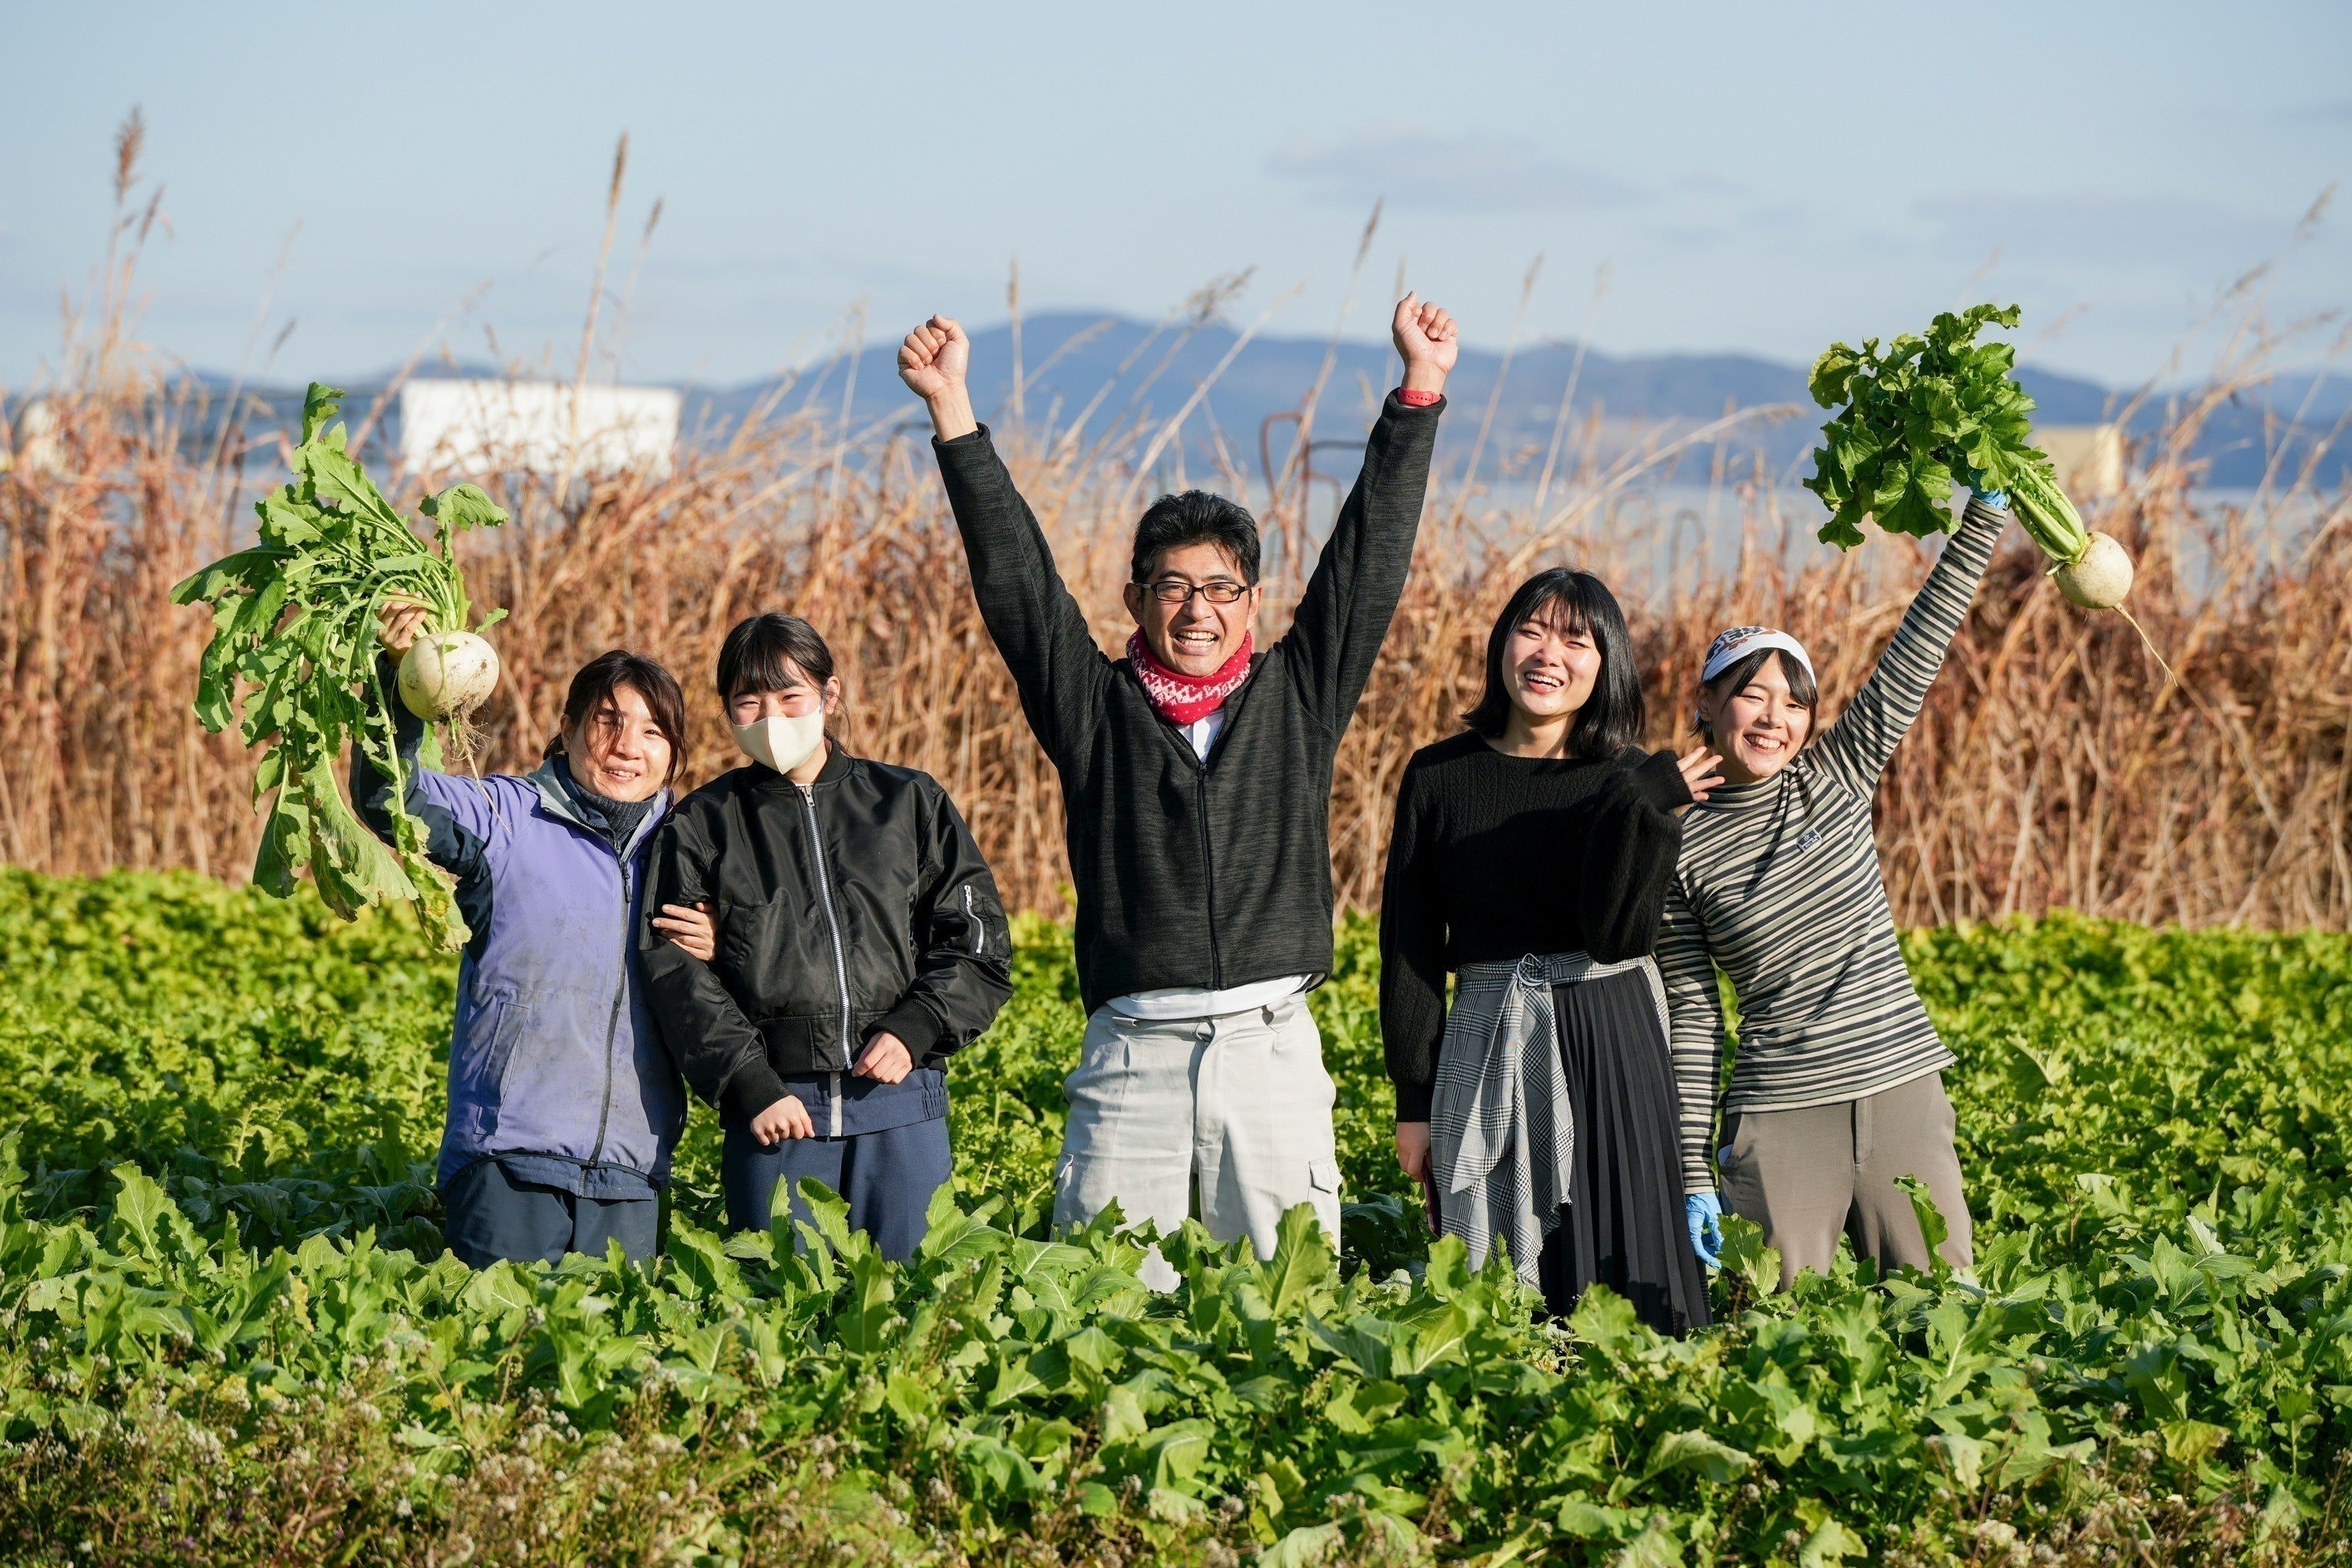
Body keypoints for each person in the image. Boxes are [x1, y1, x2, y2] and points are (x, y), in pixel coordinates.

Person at [896, 296, 1457, 1287]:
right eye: (1174, 586)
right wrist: (953, 411)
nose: (1198, 609)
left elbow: (1367, 562)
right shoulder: (1093, 707)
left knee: (1286, 1308)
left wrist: (1418, 392)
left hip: (1270, 1051)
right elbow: (1019, 586)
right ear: (1136, 597)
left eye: (1221, 588)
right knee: (1104, 1304)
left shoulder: (1299, 695)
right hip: (1134, 1055)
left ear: (1253, 602)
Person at [1658, 489, 2011, 1289]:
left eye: (1795, 702)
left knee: (1941, 1305)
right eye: (1752, 694)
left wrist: (1983, 519)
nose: (1774, 717)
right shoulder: (1674, 847)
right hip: (1781, 1113)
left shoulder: (1835, 778)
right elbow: (1694, 1015)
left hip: (1900, 1089)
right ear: (1707, 703)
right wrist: (1690, 1168)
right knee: (1771, 1320)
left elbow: (1917, 649)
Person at [1381, 569, 1722, 1334]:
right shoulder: (1439, 774)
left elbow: (1619, 936)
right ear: (1502, 642)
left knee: (1620, 1259)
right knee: (1489, 1281)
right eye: (1531, 631)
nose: (1549, 654)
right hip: (1487, 1031)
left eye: (1576, 640)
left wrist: (1640, 809)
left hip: (1611, 1035)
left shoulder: (1632, 778)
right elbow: (1409, 944)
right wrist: (1413, 1101)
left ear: (1607, 663)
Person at [637, 613, 1011, 1260]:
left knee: (911, 1296)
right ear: (726, 711)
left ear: (829, 695)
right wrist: (748, 1081)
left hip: (899, 1100)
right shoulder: (702, 823)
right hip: (777, 1114)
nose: (770, 718)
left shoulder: (909, 802)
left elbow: (977, 939)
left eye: (790, 696)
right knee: (781, 1301)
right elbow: (675, 973)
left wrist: (917, 1026)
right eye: (748, 702)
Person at [359, 601, 690, 1269]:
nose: (627, 746)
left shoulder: (692, 852)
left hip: (632, 1174)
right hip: (508, 1160)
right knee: (497, 1333)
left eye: (653, 731)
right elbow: (393, 798)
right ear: (566, 729)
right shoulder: (504, 818)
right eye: (607, 721)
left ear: (673, 755)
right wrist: (398, 687)